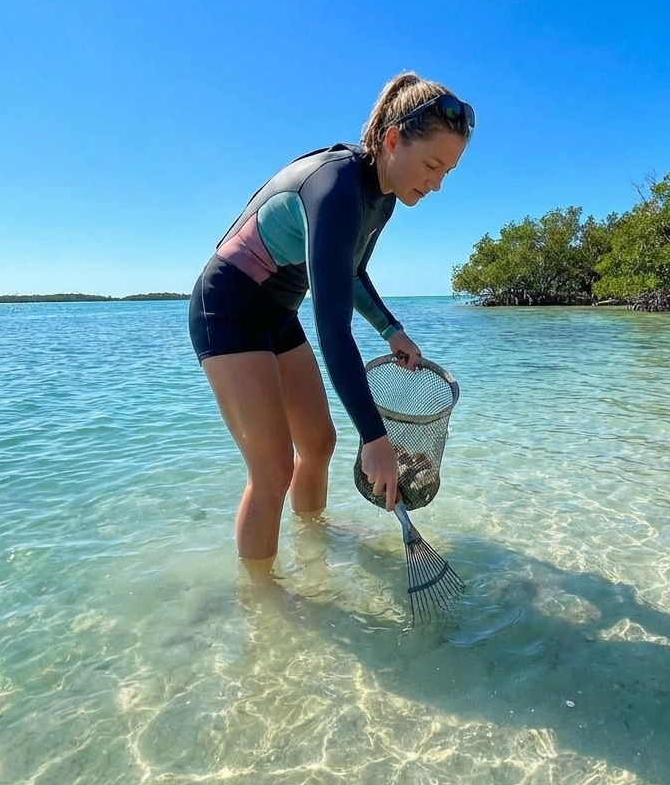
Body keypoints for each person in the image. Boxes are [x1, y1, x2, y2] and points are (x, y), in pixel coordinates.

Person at [188, 72, 474, 573]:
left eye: (446, 172)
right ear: (391, 140)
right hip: (228, 310)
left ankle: (311, 544)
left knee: (318, 442)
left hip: (275, 313)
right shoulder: (337, 187)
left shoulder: (381, 197)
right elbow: (333, 332)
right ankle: (263, 601)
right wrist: (376, 437)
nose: (435, 184)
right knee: (272, 469)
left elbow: (352, 273)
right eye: (431, 164)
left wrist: (392, 330)